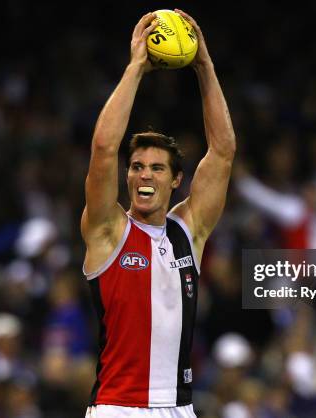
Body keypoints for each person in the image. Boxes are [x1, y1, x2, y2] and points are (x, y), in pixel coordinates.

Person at [81, 10, 235, 418]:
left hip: (179, 409)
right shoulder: (108, 231)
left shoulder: (189, 231)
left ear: (176, 180)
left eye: (156, 168)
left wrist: (204, 65)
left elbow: (222, 152)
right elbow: (102, 149)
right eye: (137, 166)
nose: (143, 175)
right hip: (118, 408)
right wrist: (135, 68)